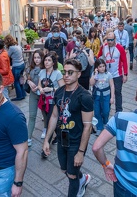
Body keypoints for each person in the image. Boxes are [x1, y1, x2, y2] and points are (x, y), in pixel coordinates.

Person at [42, 59, 94, 197]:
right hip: (62, 140)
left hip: (76, 143)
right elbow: (53, 116)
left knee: (71, 177)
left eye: (70, 72)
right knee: (65, 170)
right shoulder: (59, 92)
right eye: (65, 72)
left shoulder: (85, 97)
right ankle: (82, 178)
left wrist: (81, 152)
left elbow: (88, 127)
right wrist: (47, 139)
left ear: (79, 74)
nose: (66, 75)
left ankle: (77, 185)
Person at [97, 32, 128, 112]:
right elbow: (98, 57)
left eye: (111, 40)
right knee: (108, 93)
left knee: (118, 93)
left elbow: (124, 61)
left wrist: (125, 74)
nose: (109, 41)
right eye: (108, 40)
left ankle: (119, 111)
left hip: (117, 74)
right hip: (106, 75)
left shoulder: (120, 48)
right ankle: (106, 110)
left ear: (115, 39)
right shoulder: (104, 47)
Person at [37, 52, 64, 142]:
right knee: (50, 120)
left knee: (49, 121)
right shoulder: (42, 72)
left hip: (53, 101)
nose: (46, 62)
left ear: (53, 63)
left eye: (49, 60)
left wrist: (51, 89)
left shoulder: (57, 73)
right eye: (45, 60)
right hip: (44, 100)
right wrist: (40, 89)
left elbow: (62, 88)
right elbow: (39, 84)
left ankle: (46, 144)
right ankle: (60, 135)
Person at [89, 58, 114, 136]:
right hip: (97, 96)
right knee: (97, 112)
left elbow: (112, 85)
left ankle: (105, 122)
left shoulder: (108, 74)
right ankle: (99, 127)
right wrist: (95, 74)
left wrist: (112, 97)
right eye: (100, 66)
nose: (102, 68)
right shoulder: (94, 75)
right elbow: (91, 83)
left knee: (106, 111)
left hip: (106, 96)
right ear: (97, 67)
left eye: (103, 66)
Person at [25, 50, 44, 147]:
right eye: (35, 57)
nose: (37, 60)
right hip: (33, 94)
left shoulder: (45, 68)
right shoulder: (30, 68)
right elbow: (27, 78)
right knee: (32, 115)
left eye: (39, 57)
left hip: (43, 94)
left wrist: (40, 87)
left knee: (45, 114)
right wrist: (29, 82)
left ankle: (45, 128)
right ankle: (28, 137)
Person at [4, 35, 26, 101]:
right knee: (20, 80)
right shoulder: (17, 45)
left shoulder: (11, 48)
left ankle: (19, 96)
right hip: (22, 64)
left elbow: (7, 56)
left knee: (16, 81)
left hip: (16, 66)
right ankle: (23, 94)